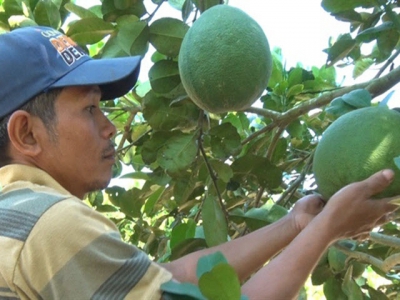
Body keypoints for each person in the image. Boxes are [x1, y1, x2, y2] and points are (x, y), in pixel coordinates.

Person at [0, 26, 397, 300]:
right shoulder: (50, 224)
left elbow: (172, 279)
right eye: (90, 109)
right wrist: (328, 228)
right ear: (27, 134)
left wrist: (295, 225)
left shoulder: (18, 218)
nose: (109, 128)